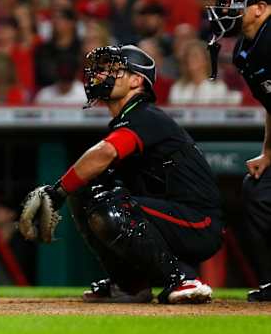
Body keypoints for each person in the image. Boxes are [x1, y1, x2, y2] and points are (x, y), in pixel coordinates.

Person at [20, 45, 223, 304]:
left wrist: (57, 191)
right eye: (102, 69)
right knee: (87, 190)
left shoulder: (146, 115)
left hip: (198, 222)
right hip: (167, 215)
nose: (101, 75)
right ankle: (129, 284)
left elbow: (105, 152)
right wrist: (69, 190)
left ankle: (181, 279)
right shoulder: (128, 118)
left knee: (110, 205)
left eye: (113, 70)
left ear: (137, 81)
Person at [206, 0, 271, 301]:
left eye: (234, 3)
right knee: (258, 190)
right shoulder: (245, 50)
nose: (224, 9)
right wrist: (268, 152)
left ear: (260, 7)